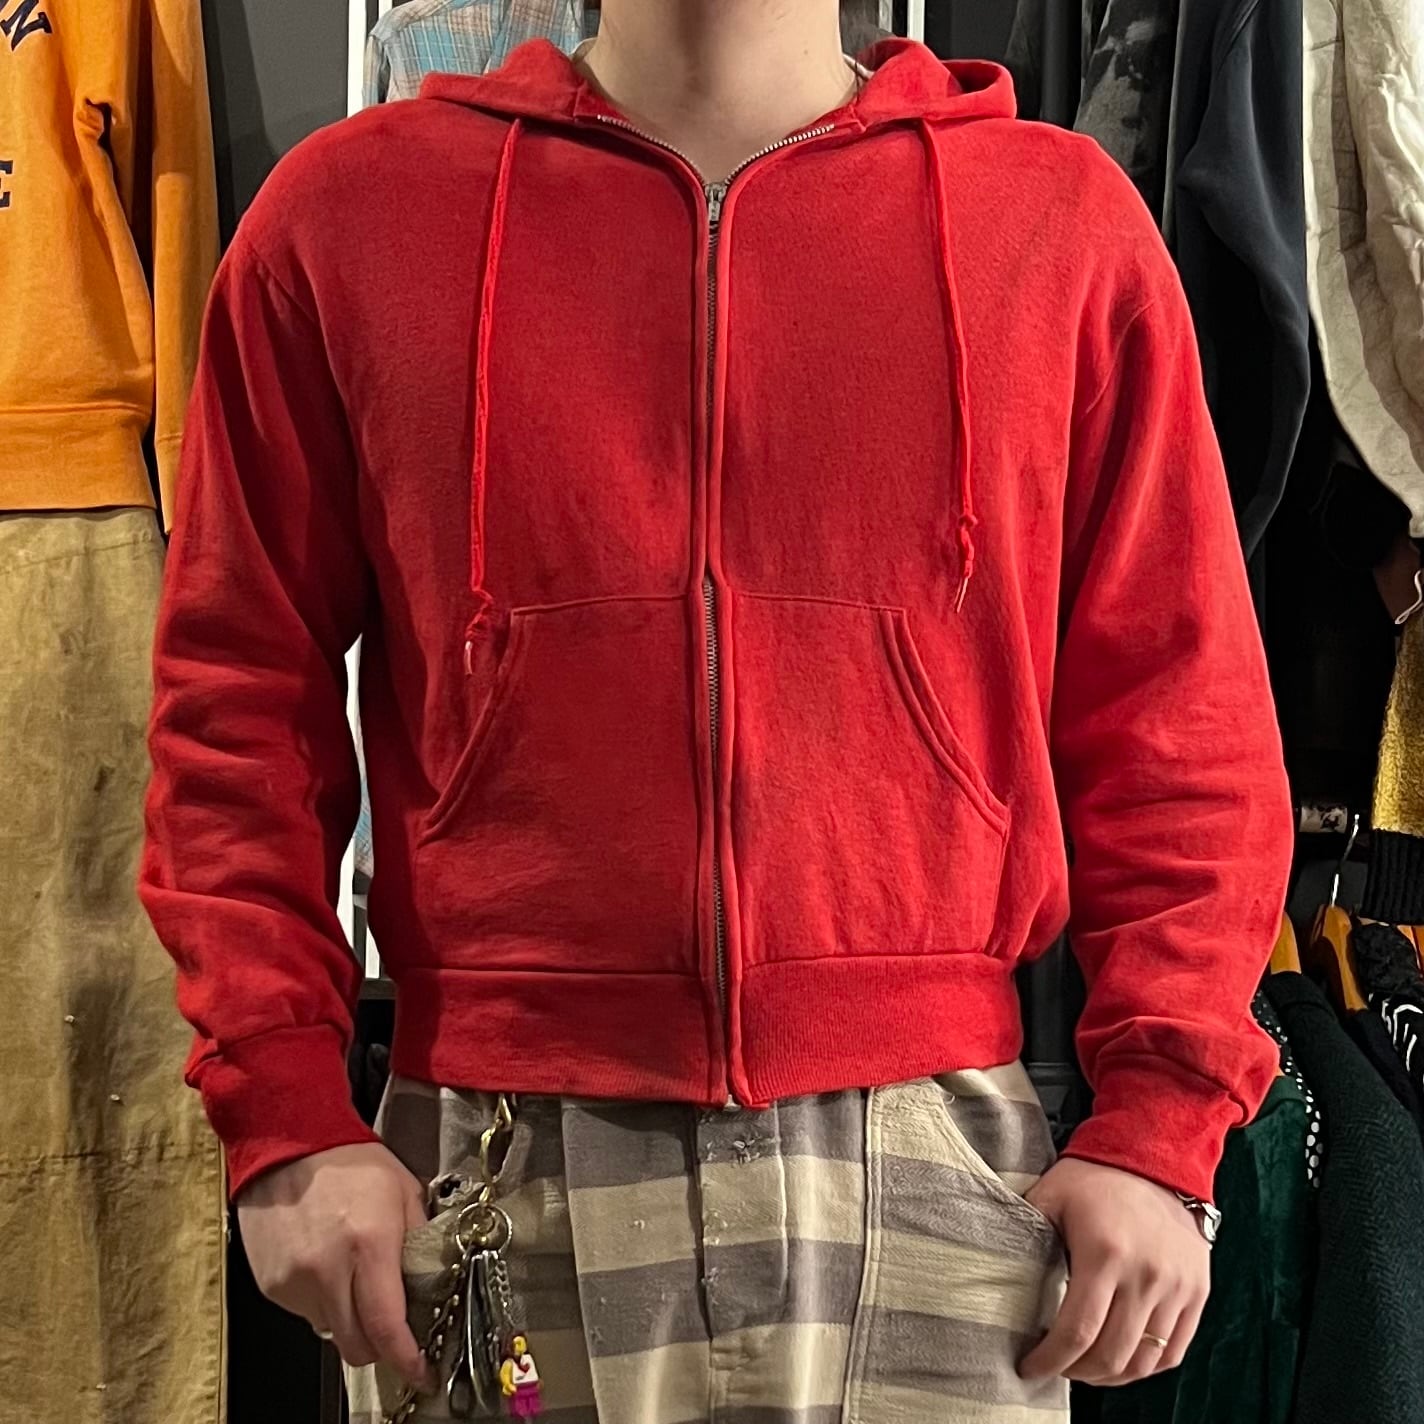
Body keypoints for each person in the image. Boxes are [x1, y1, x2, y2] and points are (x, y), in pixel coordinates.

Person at [140, 2, 1293, 1420]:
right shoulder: (348, 221)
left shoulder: (1057, 226)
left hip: (935, 1160)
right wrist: (282, 1113)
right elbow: (236, 707)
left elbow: (1179, 716)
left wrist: (1164, 1120)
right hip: (502, 1152)